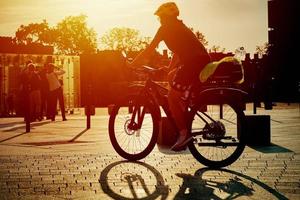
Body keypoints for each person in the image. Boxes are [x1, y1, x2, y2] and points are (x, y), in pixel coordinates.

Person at [127, 2, 211, 151]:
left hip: (193, 63)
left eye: (161, 17)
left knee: (172, 97)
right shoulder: (179, 27)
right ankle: (184, 111)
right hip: (198, 61)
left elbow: (149, 49)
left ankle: (184, 133)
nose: (160, 20)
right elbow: (178, 52)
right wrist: (169, 69)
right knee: (172, 77)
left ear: (166, 17)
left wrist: (132, 64)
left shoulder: (165, 29)